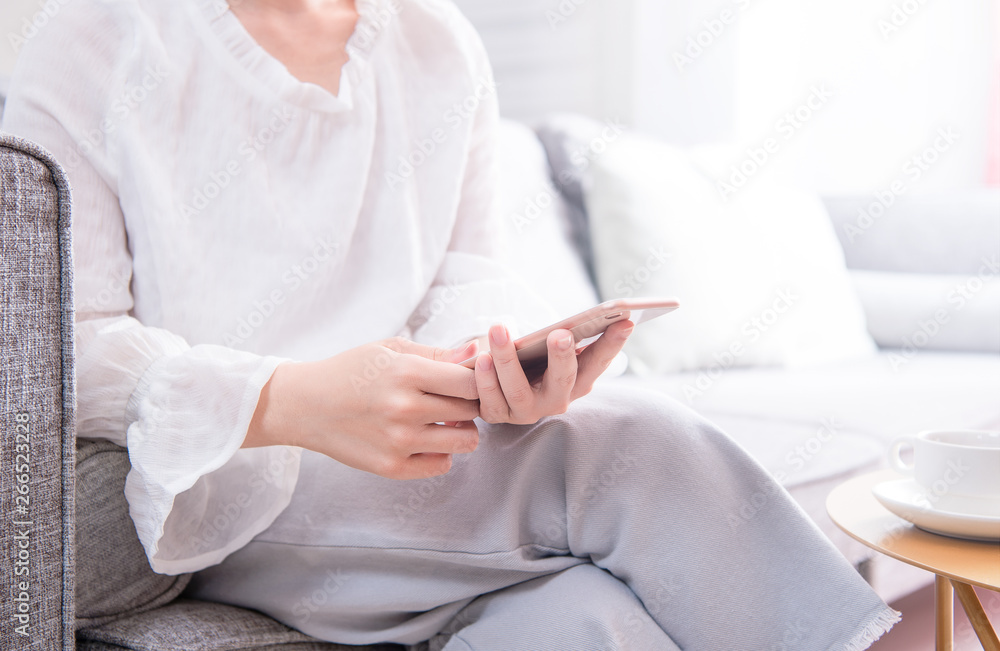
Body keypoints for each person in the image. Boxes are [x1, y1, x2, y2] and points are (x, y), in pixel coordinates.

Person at [3, 0, 900, 648]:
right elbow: (58, 347)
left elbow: (469, 278)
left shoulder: (438, 41)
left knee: (587, 622)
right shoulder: (95, 39)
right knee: (641, 444)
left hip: (427, 465)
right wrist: (284, 397)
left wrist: (502, 362)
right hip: (230, 486)